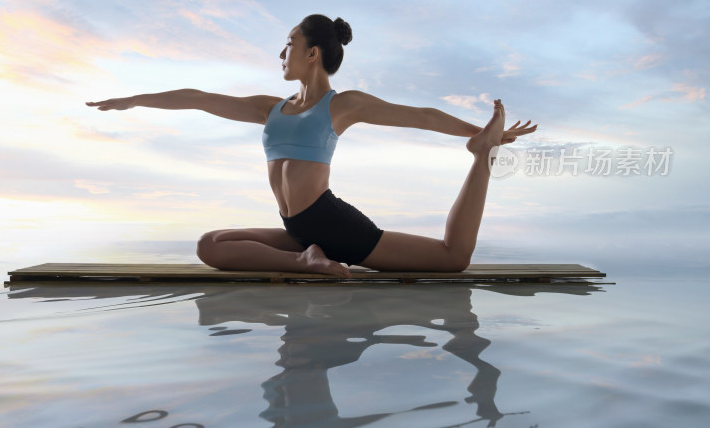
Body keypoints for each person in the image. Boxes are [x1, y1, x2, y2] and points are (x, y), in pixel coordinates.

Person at [87, 14, 536, 277]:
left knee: (452, 259)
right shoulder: (272, 108)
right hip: (300, 228)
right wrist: (133, 100)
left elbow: (420, 117)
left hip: (333, 223)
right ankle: (308, 261)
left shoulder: (343, 106)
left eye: (288, 46)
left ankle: (482, 156)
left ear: (312, 53)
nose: (281, 56)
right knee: (209, 244)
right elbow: (200, 99)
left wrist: (480, 132)